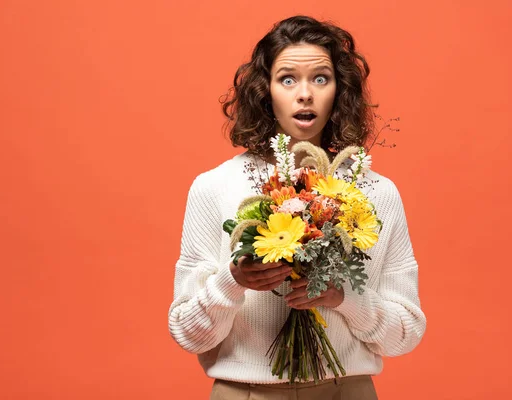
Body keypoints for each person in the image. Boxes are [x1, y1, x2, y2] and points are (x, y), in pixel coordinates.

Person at [168, 15, 426, 400]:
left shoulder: (376, 191)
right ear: (265, 91)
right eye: (288, 79)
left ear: (340, 90)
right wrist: (234, 280)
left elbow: (405, 334)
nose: (304, 94)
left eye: (320, 78)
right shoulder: (214, 187)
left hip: (347, 392)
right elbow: (187, 332)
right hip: (245, 393)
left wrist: (344, 297)